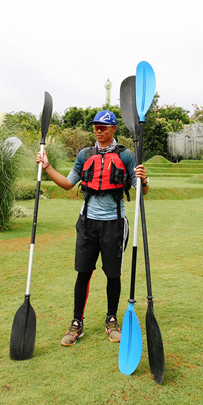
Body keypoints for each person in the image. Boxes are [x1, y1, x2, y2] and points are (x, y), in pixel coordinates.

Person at [36, 110, 149, 346]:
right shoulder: (85, 154)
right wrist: (47, 167)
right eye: (95, 126)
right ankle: (76, 322)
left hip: (114, 224)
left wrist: (144, 180)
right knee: (83, 273)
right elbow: (68, 184)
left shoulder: (126, 156)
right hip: (87, 223)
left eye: (103, 126)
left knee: (113, 274)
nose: (98, 130)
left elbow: (142, 192)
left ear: (114, 129)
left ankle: (112, 320)